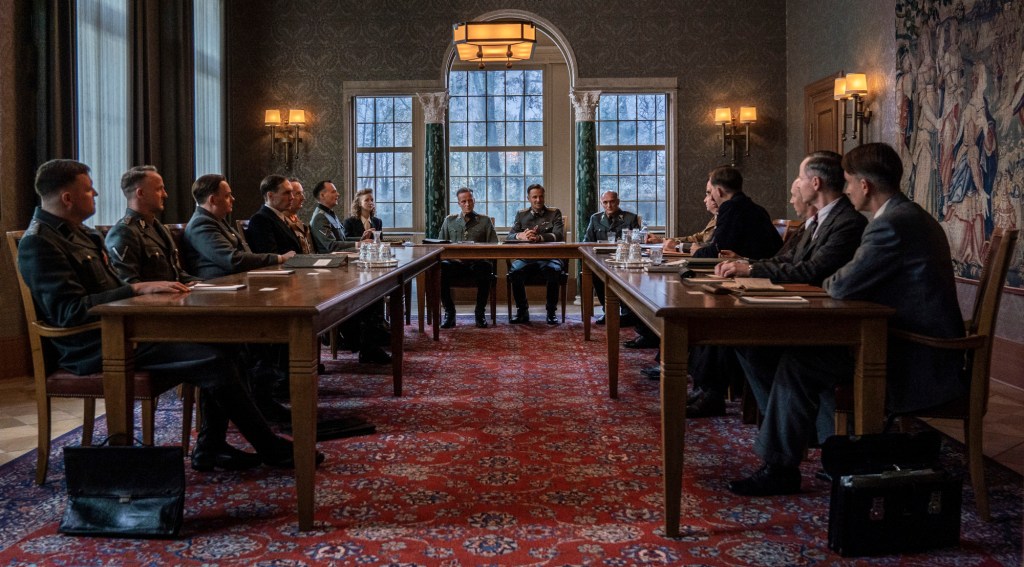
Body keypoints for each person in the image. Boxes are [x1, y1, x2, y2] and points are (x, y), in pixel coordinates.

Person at [17, 159, 311, 472]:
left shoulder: (82, 234)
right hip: (92, 344)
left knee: (228, 344)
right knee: (214, 359)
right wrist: (135, 290)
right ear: (67, 198)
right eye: (89, 190)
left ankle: (212, 448)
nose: (97, 194)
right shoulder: (40, 242)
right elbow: (69, 313)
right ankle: (266, 446)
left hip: (124, 330)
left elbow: (118, 288)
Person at [729, 143, 966, 497]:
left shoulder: (890, 225)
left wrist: (833, 281)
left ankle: (782, 467)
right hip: (909, 342)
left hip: (915, 357)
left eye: (850, 182)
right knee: (798, 356)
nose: (847, 189)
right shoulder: (907, 215)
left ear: (865, 186)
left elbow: (840, 284)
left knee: (799, 362)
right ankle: (829, 450)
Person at [681, 152, 868, 419]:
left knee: (739, 332)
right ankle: (777, 417)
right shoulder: (816, 221)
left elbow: (813, 270)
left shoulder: (848, 222)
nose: (796, 186)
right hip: (799, 304)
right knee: (736, 332)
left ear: (815, 183)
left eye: (800, 178)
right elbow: (784, 259)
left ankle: (780, 418)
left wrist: (750, 268)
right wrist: (747, 264)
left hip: (821, 316)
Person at [181, 174, 291, 279]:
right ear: (212, 200)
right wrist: (279, 258)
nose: (233, 199)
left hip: (237, 280)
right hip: (219, 285)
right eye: (227, 196)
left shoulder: (217, 220)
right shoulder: (201, 223)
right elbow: (232, 259)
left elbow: (243, 252)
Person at [105, 165, 198, 285]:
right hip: (150, 297)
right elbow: (128, 284)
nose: (165, 194)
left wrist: (205, 284)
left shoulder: (159, 228)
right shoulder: (124, 232)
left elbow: (177, 275)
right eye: (159, 189)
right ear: (140, 193)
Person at [438, 187, 499, 329]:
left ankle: (480, 313)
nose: (467, 204)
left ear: (474, 201)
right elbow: (440, 245)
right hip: (455, 265)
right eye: (464, 201)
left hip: (477, 265)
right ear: (458, 203)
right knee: (441, 268)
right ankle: (449, 313)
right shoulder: (449, 220)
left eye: (470, 200)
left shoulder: (485, 221)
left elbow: (494, 245)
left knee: (486, 267)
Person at [692, 165, 783, 259]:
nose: (711, 197)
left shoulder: (730, 208)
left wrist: (698, 252)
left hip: (753, 267)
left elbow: (719, 249)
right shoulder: (759, 209)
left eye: (711, 192)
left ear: (719, 191)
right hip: (764, 264)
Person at [506, 184, 565, 325]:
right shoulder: (521, 214)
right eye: (535, 197)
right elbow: (509, 237)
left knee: (553, 270)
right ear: (528, 198)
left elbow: (559, 235)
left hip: (549, 257)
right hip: (526, 258)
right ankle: (522, 311)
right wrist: (520, 236)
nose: (538, 200)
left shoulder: (554, 213)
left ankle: (551, 312)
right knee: (515, 271)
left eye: (541, 196)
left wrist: (539, 237)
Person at [583, 191, 639, 325]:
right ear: (601, 203)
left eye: (612, 201)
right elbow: (587, 242)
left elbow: (637, 242)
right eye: (605, 202)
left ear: (618, 202)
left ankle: (627, 313)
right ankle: (608, 311)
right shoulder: (595, 219)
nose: (609, 205)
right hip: (601, 261)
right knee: (595, 274)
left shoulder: (630, 218)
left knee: (629, 275)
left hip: (624, 261)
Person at [245, 175, 304, 255]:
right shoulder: (260, 219)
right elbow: (270, 256)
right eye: (287, 193)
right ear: (270, 196)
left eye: (291, 192)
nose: (292, 197)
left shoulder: (280, 217)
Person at [309, 180, 356, 252]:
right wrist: (358, 244)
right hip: (329, 258)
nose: (338, 194)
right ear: (322, 195)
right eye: (333, 192)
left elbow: (343, 239)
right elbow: (331, 245)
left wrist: (362, 240)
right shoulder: (320, 217)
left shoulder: (329, 214)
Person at [284, 177, 313, 254]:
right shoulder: (282, 223)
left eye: (302, 193)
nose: (303, 198)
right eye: (298, 193)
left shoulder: (297, 220)